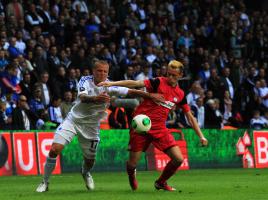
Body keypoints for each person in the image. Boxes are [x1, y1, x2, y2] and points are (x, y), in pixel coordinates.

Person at [36, 60, 164, 192]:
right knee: (54, 149)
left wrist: (149, 95)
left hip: (91, 127)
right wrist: (96, 98)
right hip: (73, 121)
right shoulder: (85, 81)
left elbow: (131, 92)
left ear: (107, 73)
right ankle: (45, 182)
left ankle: (85, 173)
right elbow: (83, 97)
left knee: (90, 160)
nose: (102, 73)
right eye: (99, 71)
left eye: (105, 71)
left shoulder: (110, 86)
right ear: (93, 71)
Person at [98, 60, 208, 191]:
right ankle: (131, 174)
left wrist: (201, 136)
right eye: (169, 74)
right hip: (140, 127)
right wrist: (112, 83)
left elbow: (190, 116)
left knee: (178, 159)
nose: (170, 77)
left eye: (174, 75)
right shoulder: (157, 82)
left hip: (160, 129)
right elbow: (135, 84)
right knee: (132, 164)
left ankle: (161, 182)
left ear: (180, 75)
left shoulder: (180, 94)